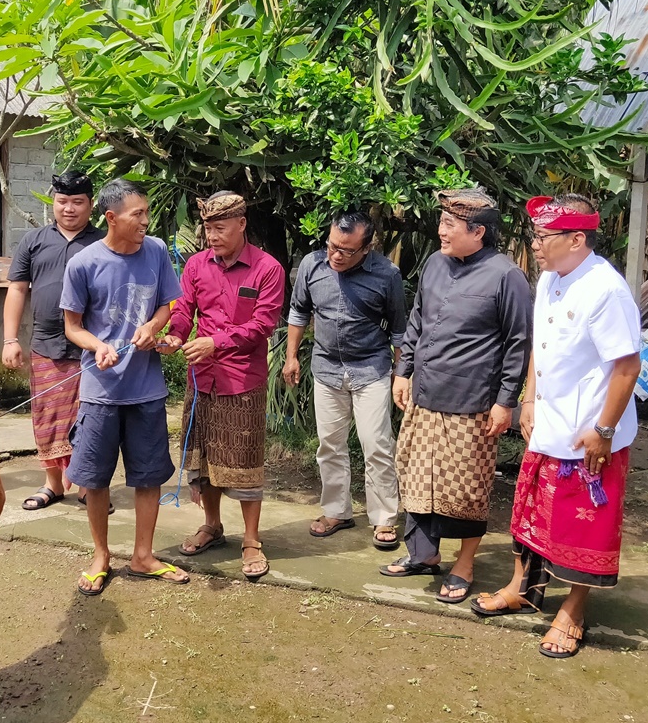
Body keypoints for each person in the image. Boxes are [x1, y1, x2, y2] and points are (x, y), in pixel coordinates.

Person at [472, 194, 642, 660]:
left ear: (577, 239)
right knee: (532, 510)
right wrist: (528, 398)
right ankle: (522, 587)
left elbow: (627, 368)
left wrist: (603, 430)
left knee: (582, 523)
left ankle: (573, 611)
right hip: (549, 421)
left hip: (589, 431)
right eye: (536, 236)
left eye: (544, 238)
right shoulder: (549, 277)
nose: (536, 246)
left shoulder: (605, 291)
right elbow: (539, 347)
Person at [389, 188, 532, 603]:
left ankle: (464, 564)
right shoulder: (435, 263)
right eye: (442, 222)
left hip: (473, 403)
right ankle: (423, 554)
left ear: (479, 232)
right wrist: (403, 372)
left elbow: (517, 342)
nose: (441, 232)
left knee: (466, 488)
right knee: (416, 476)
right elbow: (417, 320)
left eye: (449, 225)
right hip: (424, 394)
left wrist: (506, 401)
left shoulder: (507, 276)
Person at [61, 178, 189, 596]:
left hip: (147, 388)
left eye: (147, 213)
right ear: (112, 218)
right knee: (94, 479)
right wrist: (97, 346)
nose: (146, 222)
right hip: (100, 392)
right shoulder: (83, 264)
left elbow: (167, 304)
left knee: (148, 476)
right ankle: (101, 556)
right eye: (138, 215)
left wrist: (154, 327)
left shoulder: (154, 252)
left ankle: (143, 555)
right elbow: (72, 327)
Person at [161, 191, 284, 580]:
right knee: (203, 460)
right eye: (207, 228)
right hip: (202, 378)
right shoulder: (196, 265)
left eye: (220, 227)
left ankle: (251, 539)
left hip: (242, 380)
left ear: (241, 224)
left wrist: (217, 341)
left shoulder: (267, 268)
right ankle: (212, 525)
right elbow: (184, 309)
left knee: (244, 462)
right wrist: (176, 336)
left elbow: (263, 324)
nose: (211, 235)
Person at [283, 210, 407, 550]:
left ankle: (383, 517)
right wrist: (292, 356)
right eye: (332, 245)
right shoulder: (312, 265)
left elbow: (399, 330)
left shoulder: (387, 274)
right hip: (326, 369)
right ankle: (337, 511)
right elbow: (299, 312)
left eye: (347, 250)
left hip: (371, 370)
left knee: (376, 444)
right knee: (330, 444)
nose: (336, 255)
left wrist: (401, 376)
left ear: (366, 248)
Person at [3, 171, 105, 511]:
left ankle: (88, 486)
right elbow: (17, 289)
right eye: (62, 202)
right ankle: (52, 484)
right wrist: (9, 339)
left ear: (91, 205)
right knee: (46, 418)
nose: (69, 209)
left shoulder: (104, 243)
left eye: (78, 202)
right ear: (53, 205)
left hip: (92, 348)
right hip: (45, 345)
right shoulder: (33, 241)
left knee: (89, 419)